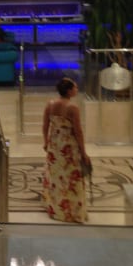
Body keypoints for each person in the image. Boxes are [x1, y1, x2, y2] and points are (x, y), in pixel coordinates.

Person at [42, 77, 90, 223]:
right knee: (70, 177)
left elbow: (45, 125)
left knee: (55, 175)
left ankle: (55, 207)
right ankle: (71, 212)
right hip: (68, 146)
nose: (77, 89)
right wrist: (83, 152)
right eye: (75, 87)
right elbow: (78, 131)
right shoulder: (72, 108)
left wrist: (46, 142)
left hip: (55, 144)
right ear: (69, 91)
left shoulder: (50, 104)